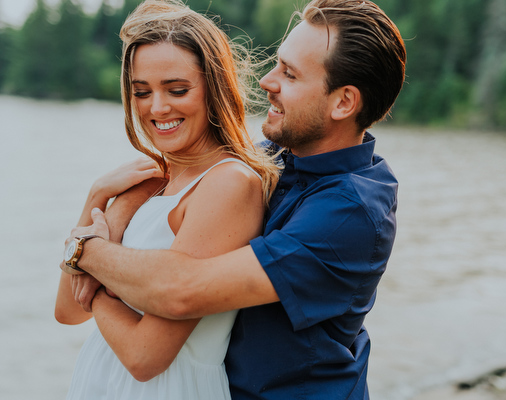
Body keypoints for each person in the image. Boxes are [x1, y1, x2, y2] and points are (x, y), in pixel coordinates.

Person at [64, 0, 406, 398]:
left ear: (343, 102)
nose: (267, 81)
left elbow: (182, 291)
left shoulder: (351, 214)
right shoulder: (274, 156)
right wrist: (111, 201)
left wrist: (83, 250)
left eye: (290, 75)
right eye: (278, 63)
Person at [55, 1, 279, 399]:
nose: (157, 108)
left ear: (216, 86)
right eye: (142, 92)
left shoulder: (229, 184)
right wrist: (98, 194)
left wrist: (94, 269)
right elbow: (67, 312)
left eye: (177, 89)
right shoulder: (149, 180)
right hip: (101, 380)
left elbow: (146, 356)